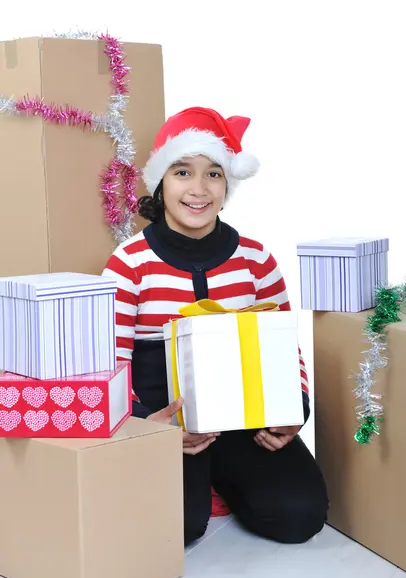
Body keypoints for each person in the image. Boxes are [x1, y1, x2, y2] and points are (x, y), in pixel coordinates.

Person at [102, 106, 328, 546]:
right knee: (182, 530)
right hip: (165, 421)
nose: (199, 189)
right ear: (161, 182)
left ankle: (223, 480)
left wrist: (293, 408)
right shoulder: (129, 264)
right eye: (183, 172)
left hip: (242, 418)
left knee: (300, 518)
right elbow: (111, 360)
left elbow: (285, 349)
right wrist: (153, 429)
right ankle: (197, 488)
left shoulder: (256, 258)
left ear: (228, 185)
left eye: (214, 175)